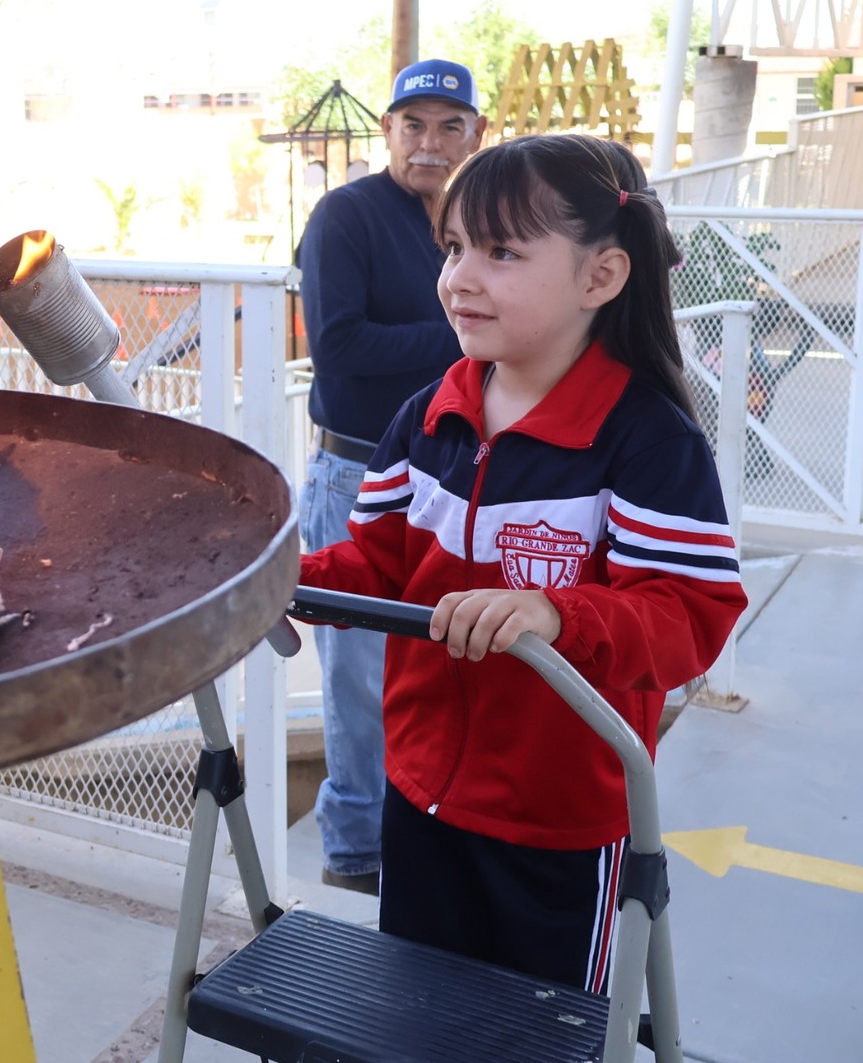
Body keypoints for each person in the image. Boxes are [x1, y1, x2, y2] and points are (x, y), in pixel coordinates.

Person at [294, 134, 747, 991]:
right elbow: (379, 564)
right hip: (420, 790)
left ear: (600, 277)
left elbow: (689, 616)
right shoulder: (428, 417)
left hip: (558, 827)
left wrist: (555, 613)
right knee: (422, 1018)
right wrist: (293, 579)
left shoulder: (646, 441)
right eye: (456, 247)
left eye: (502, 252)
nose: (460, 277)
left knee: (542, 1038)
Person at [296, 57, 486, 895]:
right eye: (415, 124)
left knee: (435, 666)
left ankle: (418, 834)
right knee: (359, 680)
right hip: (354, 469)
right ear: (388, 132)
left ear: (477, 134)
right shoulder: (347, 215)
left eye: (451, 125)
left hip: (444, 478)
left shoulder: (473, 220)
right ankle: (355, 853)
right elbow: (338, 346)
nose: (431, 141)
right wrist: (471, 331)